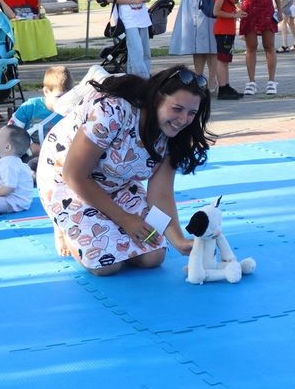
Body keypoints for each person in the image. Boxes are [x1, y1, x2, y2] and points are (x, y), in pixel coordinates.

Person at [37, 66, 213, 276]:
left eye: (192, 113)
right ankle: (64, 226)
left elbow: (161, 194)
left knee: (153, 256)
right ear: (157, 98)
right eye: (177, 109)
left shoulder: (175, 135)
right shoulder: (113, 111)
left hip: (117, 183)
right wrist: (124, 218)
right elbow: (74, 175)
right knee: (106, 265)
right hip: (66, 180)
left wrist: (178, 239)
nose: (183, 120)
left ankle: (92, 221)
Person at [11, 65, 74, 156]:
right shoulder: (30, 107)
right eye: (59, 97)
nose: (64, 101)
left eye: (68, 97)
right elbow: (11, 132)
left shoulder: (72, 110)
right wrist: (29, 146)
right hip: (27, 155)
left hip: (57, 156)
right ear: (46, 92)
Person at [212, 0, 246, 100]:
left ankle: (226, 86)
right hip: (223, 30)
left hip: (227, 30)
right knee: (222, 60)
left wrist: (237, 13)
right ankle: (222, 88)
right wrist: (233, 15)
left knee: (225, 59)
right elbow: (216, 11)